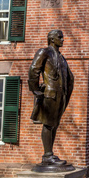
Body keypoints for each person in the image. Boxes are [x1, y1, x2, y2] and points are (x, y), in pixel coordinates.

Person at [28, 30, 74, 167]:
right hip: (50, 94)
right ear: (52, 39)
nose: (63, 40)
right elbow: (33, 70)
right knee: (48, 124)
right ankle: (47, 155)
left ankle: (50, 153)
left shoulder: (61, 57)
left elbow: (69, 77)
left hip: (61, 96)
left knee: (54, 124)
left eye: (62, 37)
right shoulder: (44, 52)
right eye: (60, 37)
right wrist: (35, 90)